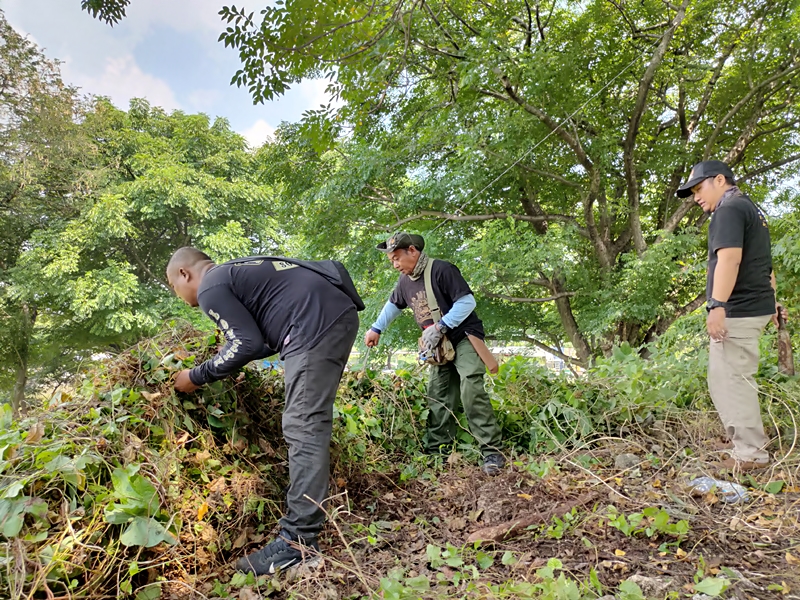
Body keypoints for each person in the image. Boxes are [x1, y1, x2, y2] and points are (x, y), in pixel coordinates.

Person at [166, 247, 360, 574]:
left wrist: (196, 376)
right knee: (307, 423)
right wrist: (226, 354)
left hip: (313, 324)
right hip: (334, 315)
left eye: (174, 287)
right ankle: (300, 529)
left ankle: (297, 544)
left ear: (184, 273)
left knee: (303, 426)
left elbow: (246, 345)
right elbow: (258, 339)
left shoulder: (211, 285)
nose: (179, 296)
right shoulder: (236, 273)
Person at [364, 233, 505, 475]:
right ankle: (438, 451)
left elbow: (467, 302)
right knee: (438, 396)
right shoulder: (404, 282)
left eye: (396, 258)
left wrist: (440, 326)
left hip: (463, 337)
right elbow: (393, 305)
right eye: (391, 261)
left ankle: (491, 451)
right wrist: (376, 328)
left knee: (471, 388)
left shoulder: (442, 270)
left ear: (412, 250)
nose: (395, 265)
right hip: (438, 348)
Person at [677, 160, 783, 471]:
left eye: (699, 188)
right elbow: (765, 264)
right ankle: (746, 442)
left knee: (731, 382)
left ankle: (751, 454)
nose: (697, 197)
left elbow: (730, 260)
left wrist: (717, 305)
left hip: (738, 309)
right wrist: (773, 301)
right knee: (732, 378)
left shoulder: (728, 210)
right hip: (755, 305)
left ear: (720, 180)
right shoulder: (751, 209)